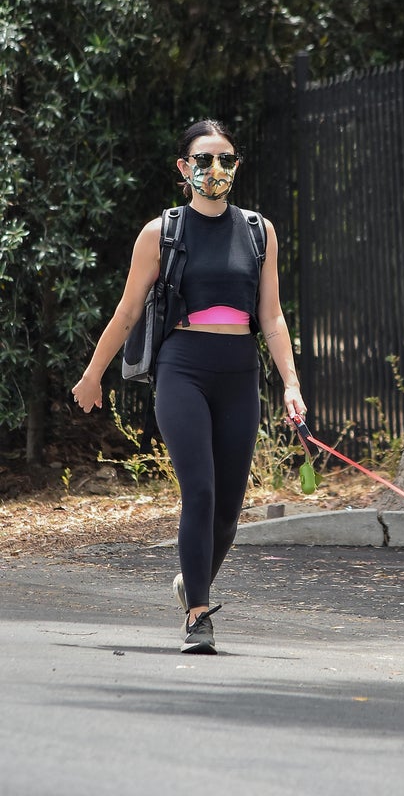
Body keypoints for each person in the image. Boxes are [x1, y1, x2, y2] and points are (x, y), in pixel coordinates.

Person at [72, 118, 306, 654]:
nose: (216, 169)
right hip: (183, 367)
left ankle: (190, 581)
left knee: (228, 507)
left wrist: (290, 384)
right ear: (185, 168)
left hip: (239, 370)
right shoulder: (162, 232)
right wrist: (92, 374)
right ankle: (198, 615)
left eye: (226, 159)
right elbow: (128, 311)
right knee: (199, 491)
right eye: (204, 160)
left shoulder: (258, 231)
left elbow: (271, 317)